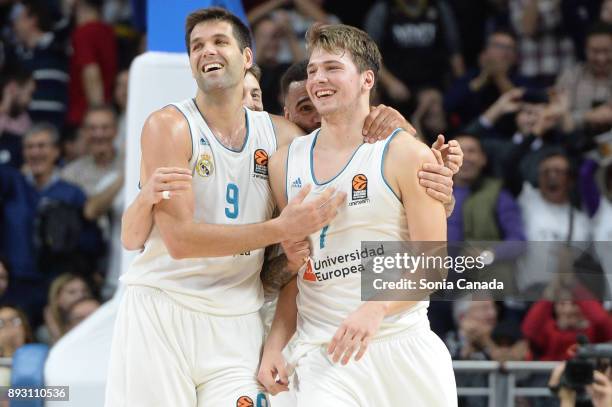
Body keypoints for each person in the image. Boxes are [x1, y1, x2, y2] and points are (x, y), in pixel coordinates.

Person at [105, 8, 346, 406]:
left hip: (237, 318)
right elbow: (181, 241)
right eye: (197, 46)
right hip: (163, 310)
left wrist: (397, 131)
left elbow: (351, 152)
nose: (207, 51)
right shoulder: (169, 126)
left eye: (220, 41)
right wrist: (281, 228)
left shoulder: (280, 135)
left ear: (247, 57)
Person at [258, 23, 456, 406]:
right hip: (323, 350)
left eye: (332, 68)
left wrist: (376, 306)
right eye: (313, 70)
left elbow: (433, 264)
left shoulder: (407, 154)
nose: (318, 79)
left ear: (367, 79)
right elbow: (298, 269)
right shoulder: (284, 164)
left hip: (402, 342)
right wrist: (275, 344)